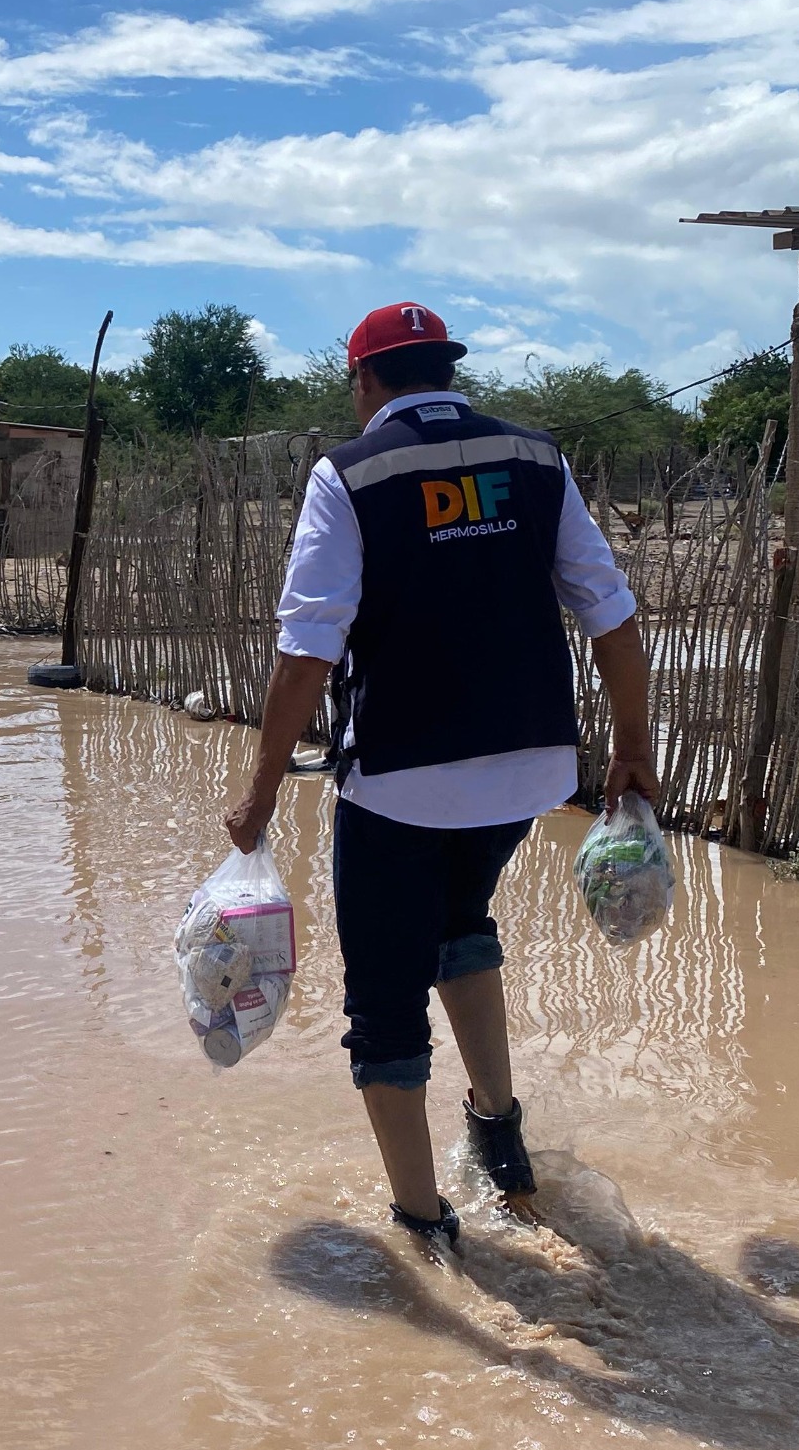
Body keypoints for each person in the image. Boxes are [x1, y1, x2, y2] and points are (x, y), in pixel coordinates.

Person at [222, 301, 658, 1251]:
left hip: (403, 781)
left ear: (365, 381)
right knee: (463, 924)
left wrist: (258, 792)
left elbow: (307, 652)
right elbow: (612, 618)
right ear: (448, 369)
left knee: (383, 1004)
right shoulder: (537, 459)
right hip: (529, 771)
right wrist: (633, 749)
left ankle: (424, 1225)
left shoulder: (350, 472)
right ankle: (501, 1137)